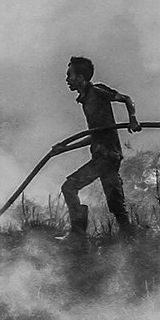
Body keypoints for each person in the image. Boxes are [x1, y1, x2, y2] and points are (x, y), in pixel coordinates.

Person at [59, 55, 140, 237]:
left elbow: (126, 99)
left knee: (69, 187)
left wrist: (132, 119)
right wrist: (65, 147)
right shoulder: (86, 100)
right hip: (104, 155)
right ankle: (131, 239)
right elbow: (95, 136)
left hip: (107, 156)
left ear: (81, 77)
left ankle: (78, 235)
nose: (67, 80)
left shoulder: (97, 91)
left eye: (69, 75)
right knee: (116, 203)